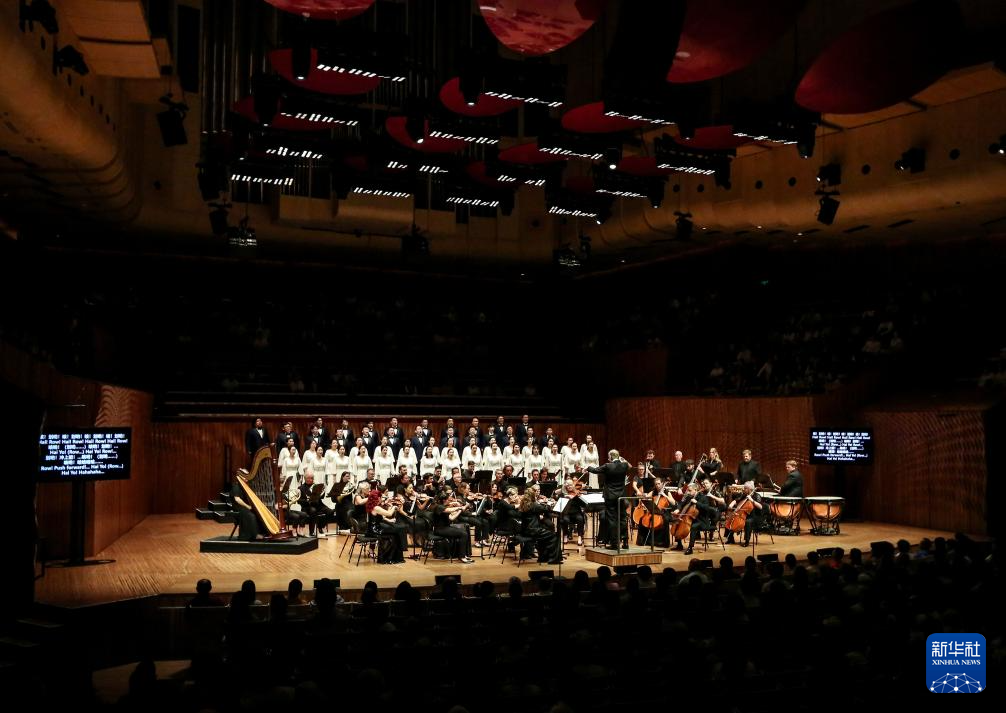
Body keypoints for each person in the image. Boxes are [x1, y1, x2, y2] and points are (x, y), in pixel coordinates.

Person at [587, 449, 630, 550]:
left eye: (608, 456)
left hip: (610, 496)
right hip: (621, 496)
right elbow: (630, 465)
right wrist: (622, 459)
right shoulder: (624, 465)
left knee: (612, 519)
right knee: (622, 518)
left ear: (610, 456)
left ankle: (614, 543)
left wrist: (587, 468)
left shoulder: (608, 466)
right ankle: (625, 542)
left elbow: (595, 470)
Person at [673, 483, 720, 555]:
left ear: (695, 490)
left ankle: (690, 548)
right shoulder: (689, 497)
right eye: (688, 490)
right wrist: (678, 509)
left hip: (701, 521)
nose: (688, 492)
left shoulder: (703, 497)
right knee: (678, 521)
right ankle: (679, 545)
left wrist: (697, 503)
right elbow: (681, 503)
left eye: (690, 490)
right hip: (690, 518)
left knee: (694, 527)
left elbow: (706, 508)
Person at [725, 481, 765, 546]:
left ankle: (747, 541)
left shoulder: (757, 496)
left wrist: (752, 500)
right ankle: (730, 539)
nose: (743, 489)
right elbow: (736, 500)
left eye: (745, 488)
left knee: (747, 522)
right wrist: (731, 505)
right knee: (730, 519)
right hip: (744, 514)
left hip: (754, 516)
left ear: (750, 489)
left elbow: (760, 507)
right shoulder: (744, 495)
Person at [231, 469, 261, 541]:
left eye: (247, 476)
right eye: (245, 476)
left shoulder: (245, 486)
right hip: (238, 508)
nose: (246, 477)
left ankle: (261, 532)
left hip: (244, 508)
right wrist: (247, 506)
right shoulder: (236, 486)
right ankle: (254, 535)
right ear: (240, 476)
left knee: (258, 513)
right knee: (251, 515)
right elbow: (237, 499)